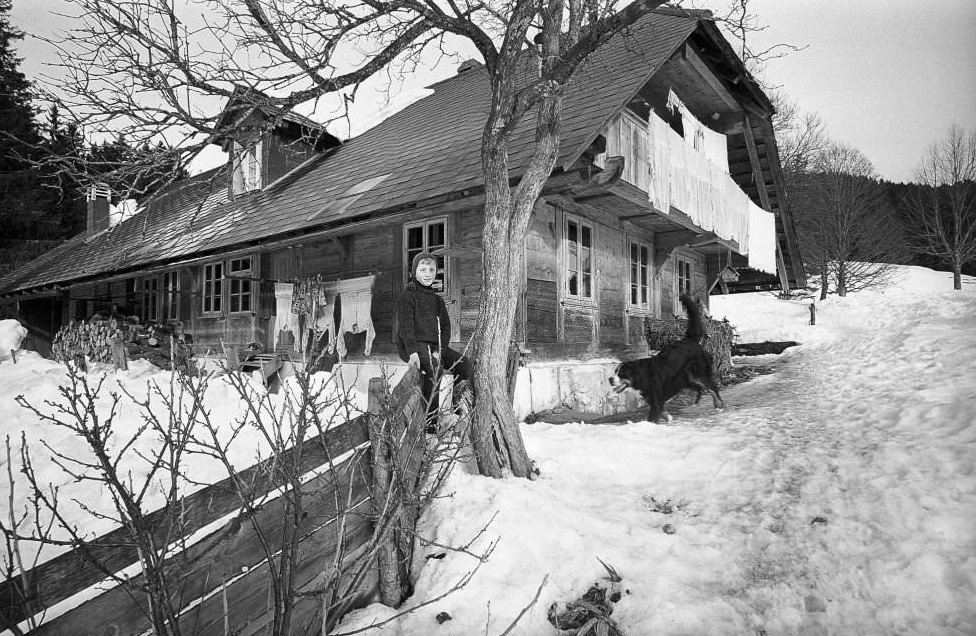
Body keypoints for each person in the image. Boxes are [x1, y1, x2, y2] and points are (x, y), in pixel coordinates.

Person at [396, 252, 471, 430]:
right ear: (415, 272)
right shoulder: (408, 296)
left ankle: (451, 406)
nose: (428, 273)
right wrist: (413, 352)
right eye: (423, 269)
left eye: (431, 269)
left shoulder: (437, 300)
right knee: (434, 367)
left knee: (465, 365)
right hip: (413, 344)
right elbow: (406, 326)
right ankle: (431, 424)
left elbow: (446, 328)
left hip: (434, 346)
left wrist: (440, 349)